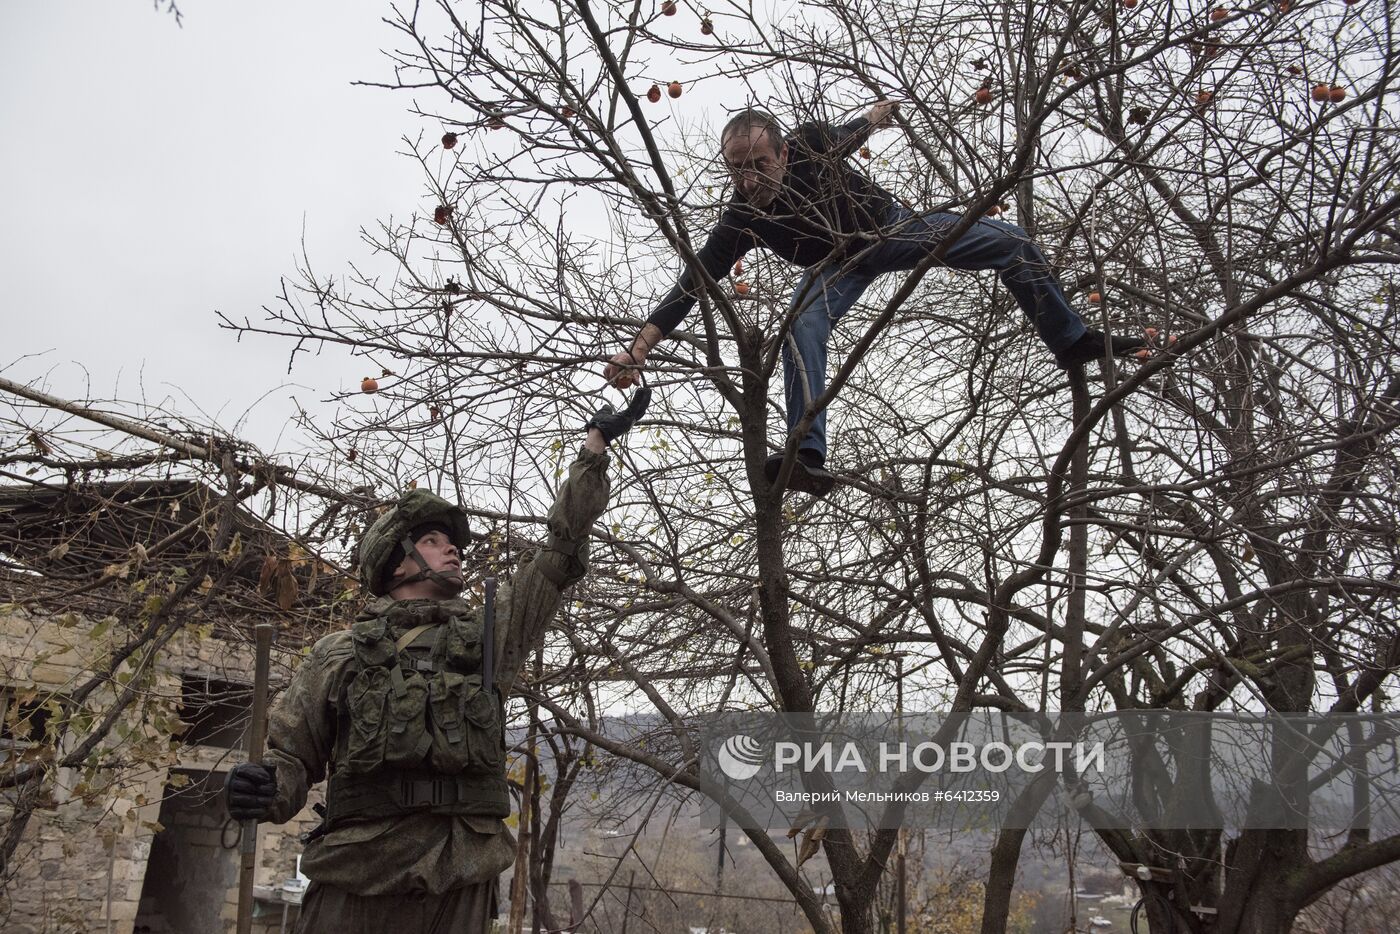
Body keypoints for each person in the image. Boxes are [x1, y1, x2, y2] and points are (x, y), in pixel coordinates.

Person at [223, 389, 650, 933]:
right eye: (432, 540)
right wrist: (260, 789)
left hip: (461, 883)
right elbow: (292, 762)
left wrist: (594, 449)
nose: (453, 550)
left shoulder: (490, 637)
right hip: (358, 881)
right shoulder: (341, 653)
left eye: (453, 544)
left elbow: (560, 551)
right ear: (396, 562)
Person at [603, 103, 1144, 496]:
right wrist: (639, 349)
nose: (747, 180)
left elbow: (853, 128)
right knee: (801, 328)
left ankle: (1070, 339)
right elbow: (693, 283)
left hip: (888, 231)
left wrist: (880, 114)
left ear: (784, 151)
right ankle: (806, 456)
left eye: (758, 165)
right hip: (835, 267)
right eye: (735, 170)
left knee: (1013, 243)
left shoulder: (812, 143)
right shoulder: (743, 217)